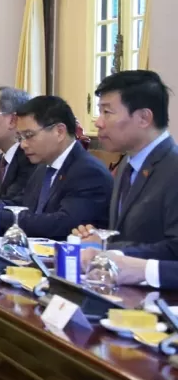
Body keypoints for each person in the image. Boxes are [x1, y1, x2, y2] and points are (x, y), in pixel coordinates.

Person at [0, 95, 112, 239]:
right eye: (20, 137)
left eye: (29, 136)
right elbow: (21, 206)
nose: (23, 144)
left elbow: (63, 223)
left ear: (59, 132)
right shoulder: (42, 167)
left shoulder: (87, 172)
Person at [71, 70, 178, 259]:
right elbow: (125, 234)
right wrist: (98, 237)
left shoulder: (172, 168)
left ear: (144, 118)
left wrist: (107, 248)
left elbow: (173, 248)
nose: (99, 123)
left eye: (107, 112)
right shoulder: (127, 164)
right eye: (99, 112)